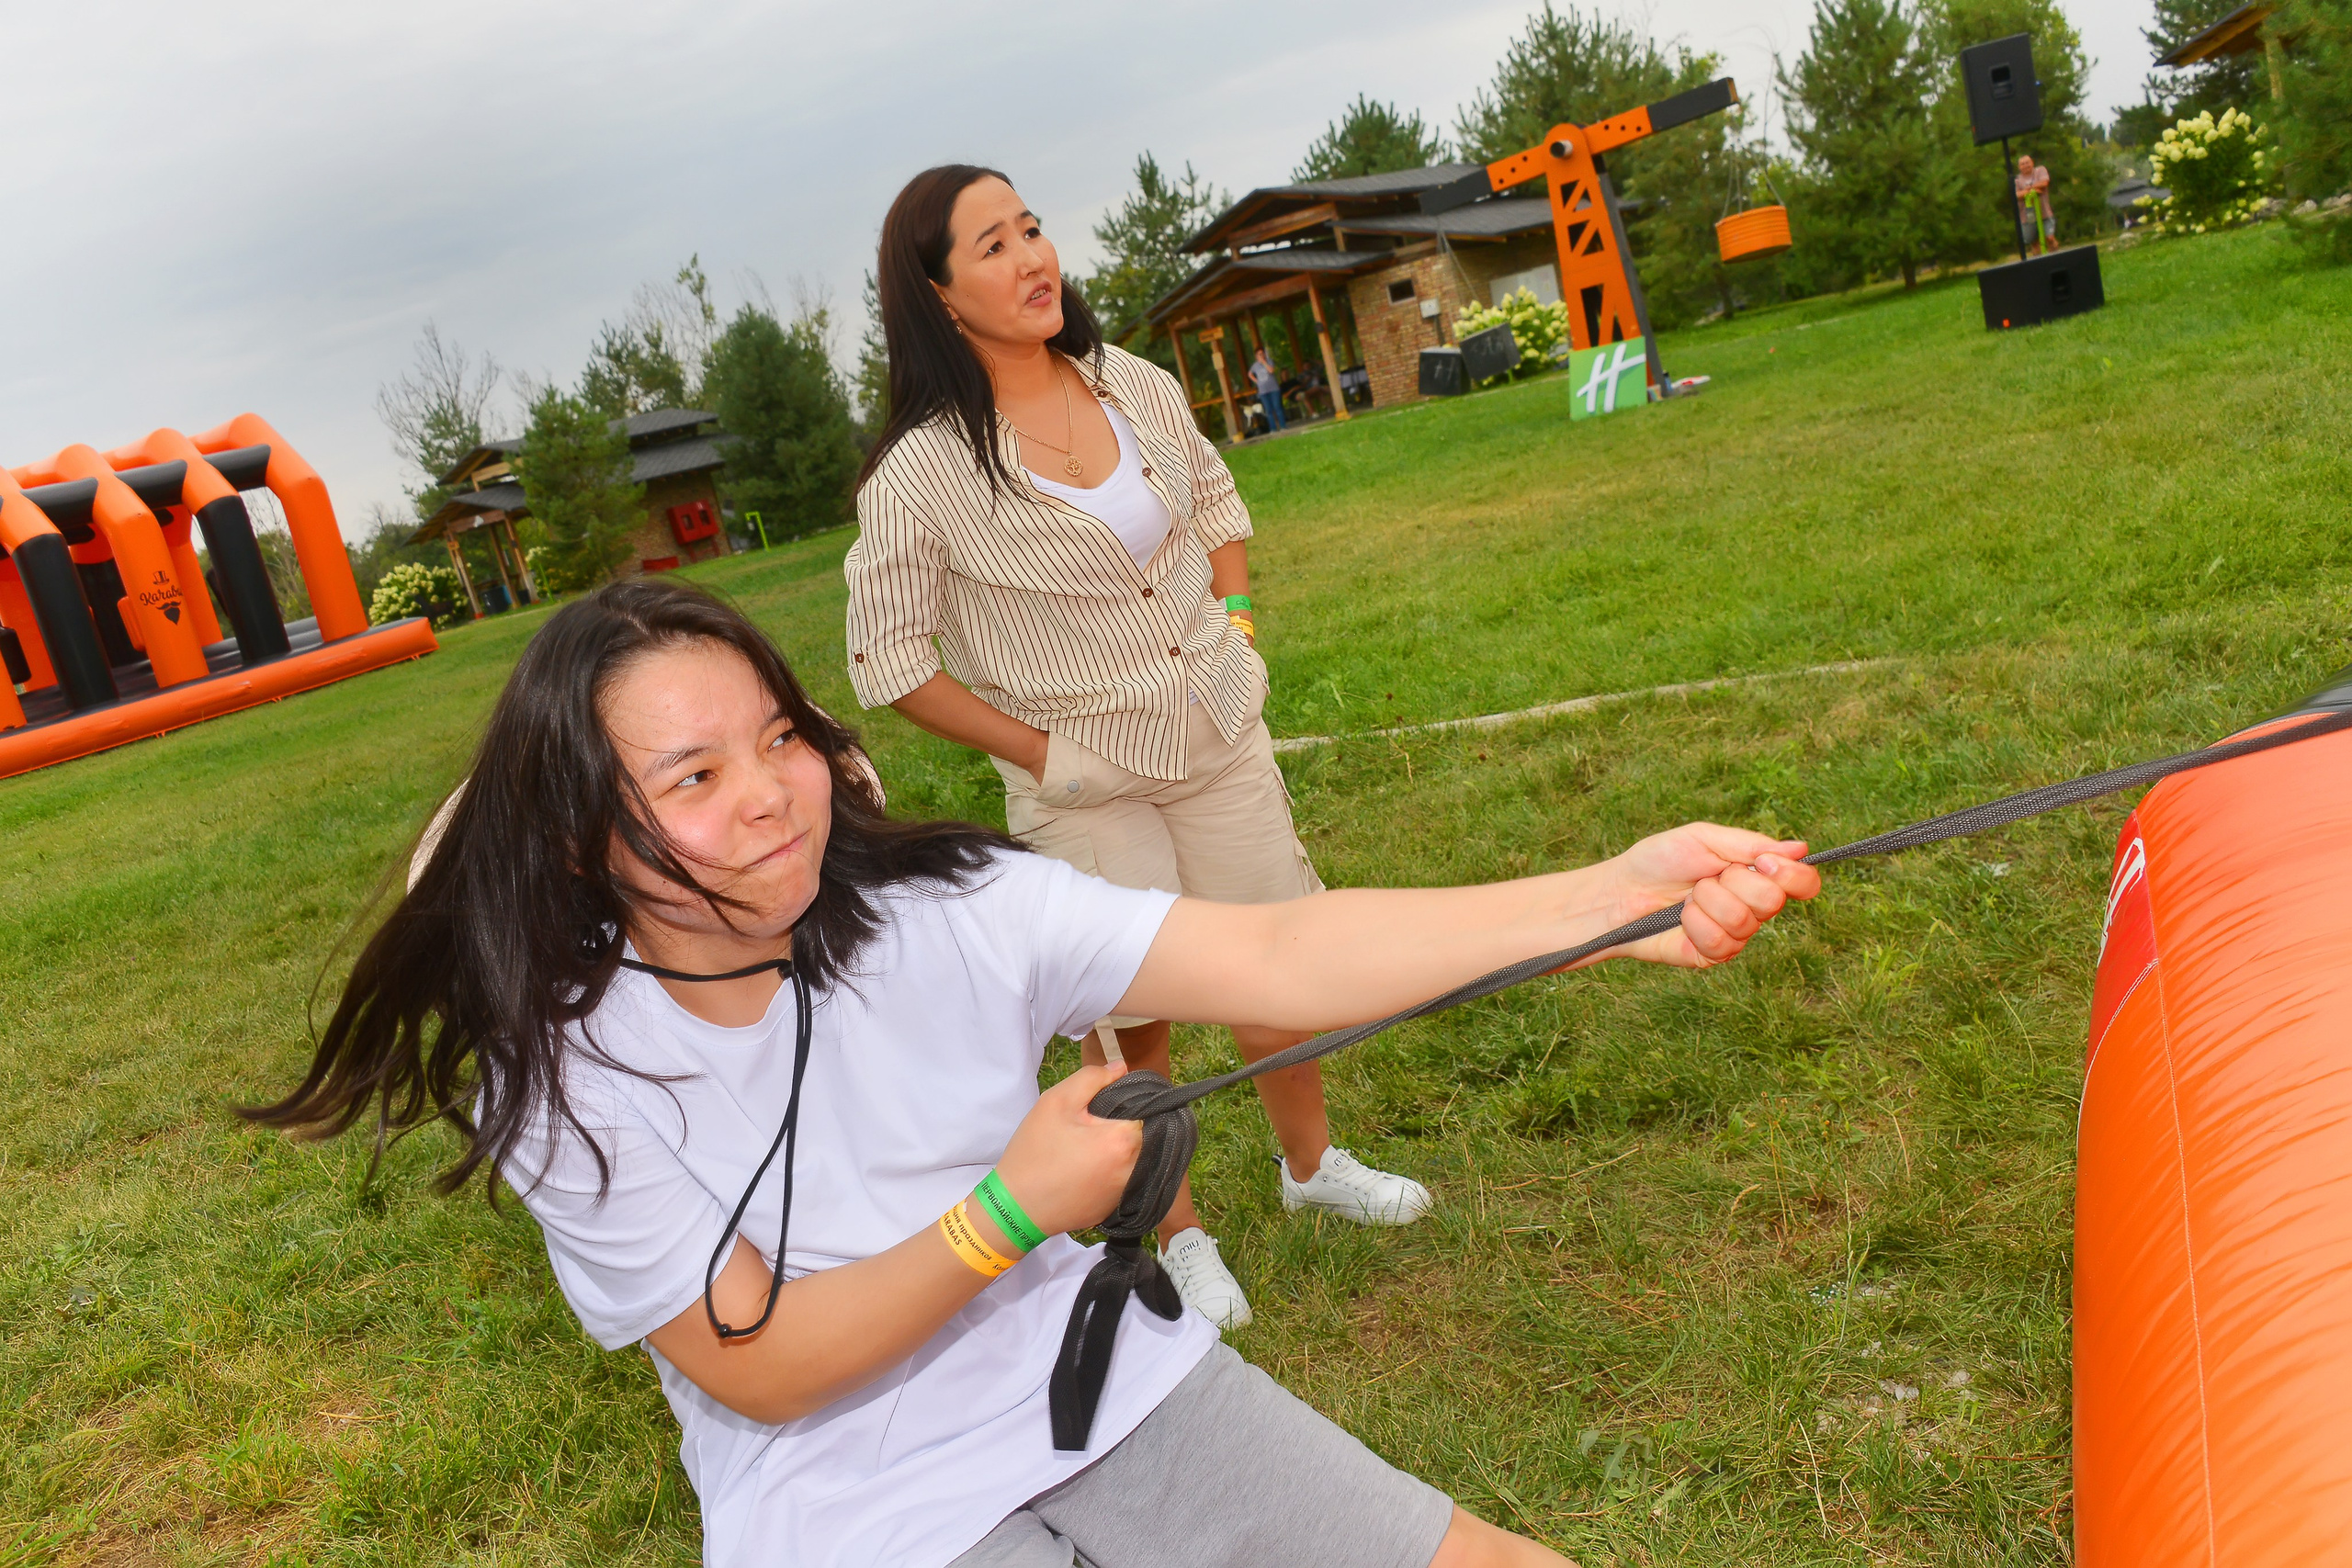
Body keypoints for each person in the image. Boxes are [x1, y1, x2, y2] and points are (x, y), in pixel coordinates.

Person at [253, 576, 1820, 1568]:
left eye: (781, 738)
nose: (771, 795)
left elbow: (1279, 954)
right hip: (847, 1503)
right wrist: (1005, 1212)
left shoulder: (954, 908)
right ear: (581, 834)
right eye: (694, 775)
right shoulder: (561, 1066)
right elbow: (760, 1366)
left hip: (1095, 1374)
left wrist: (1605, 904)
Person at [843, 164, 1412, 1331]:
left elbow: (1215, 505)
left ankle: (1312, 1169)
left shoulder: (1130, 383)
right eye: (992, 245)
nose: (1031, 258)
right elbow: (888, 660)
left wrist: (1236, 633)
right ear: (937, 293)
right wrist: (1041, 752)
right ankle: (1178, 1235)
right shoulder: (921, 472)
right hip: (1087, 780)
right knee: (1130, 1012)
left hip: (1215, 727)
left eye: (1032, 229)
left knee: (1276, 961)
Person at [2015, 154, 2057, 254]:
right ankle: (2039, 261)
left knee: (2050, 238)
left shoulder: (2040, 170)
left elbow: (2044, 183)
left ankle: (2055, 256)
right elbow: (2016, 195)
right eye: (2022, 164)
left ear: (2032, 162)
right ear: (2019, 167)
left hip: (2044, 213)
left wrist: (2027, 189)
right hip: (2027, 217)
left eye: (2027, 163)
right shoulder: (2017, 180)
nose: (2025, 165)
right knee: (2034, 242)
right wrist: (2033, 190)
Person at [1249, 346, 1286, 434]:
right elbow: (1250, 374)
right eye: (1260, 354)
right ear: (1256, 356)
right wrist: (1257, 381)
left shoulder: (1269, 361)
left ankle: (1283, 426)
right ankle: (1273, 429)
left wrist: (1264, 362)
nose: (1262, 355)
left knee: (1277, 408)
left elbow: (1271, 371)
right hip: (1263, 391)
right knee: (1268, 410)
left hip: (1274, 389)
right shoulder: (1255, 365)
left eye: (1263, 353)